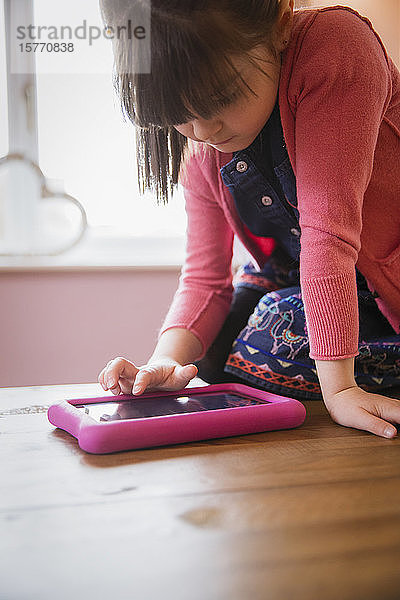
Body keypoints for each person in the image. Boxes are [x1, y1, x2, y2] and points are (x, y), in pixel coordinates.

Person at [97, 0, 400, 438]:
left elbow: (327, 232)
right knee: (217, 347)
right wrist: (165, 361)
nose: (202, 131)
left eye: (220, 98)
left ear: (279, 22)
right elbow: (204, 279)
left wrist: (341, 389)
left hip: (380, 285)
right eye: (179, 114)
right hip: (310, 279)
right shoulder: (203, 152)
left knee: (269, 333)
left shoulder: (336, 48)